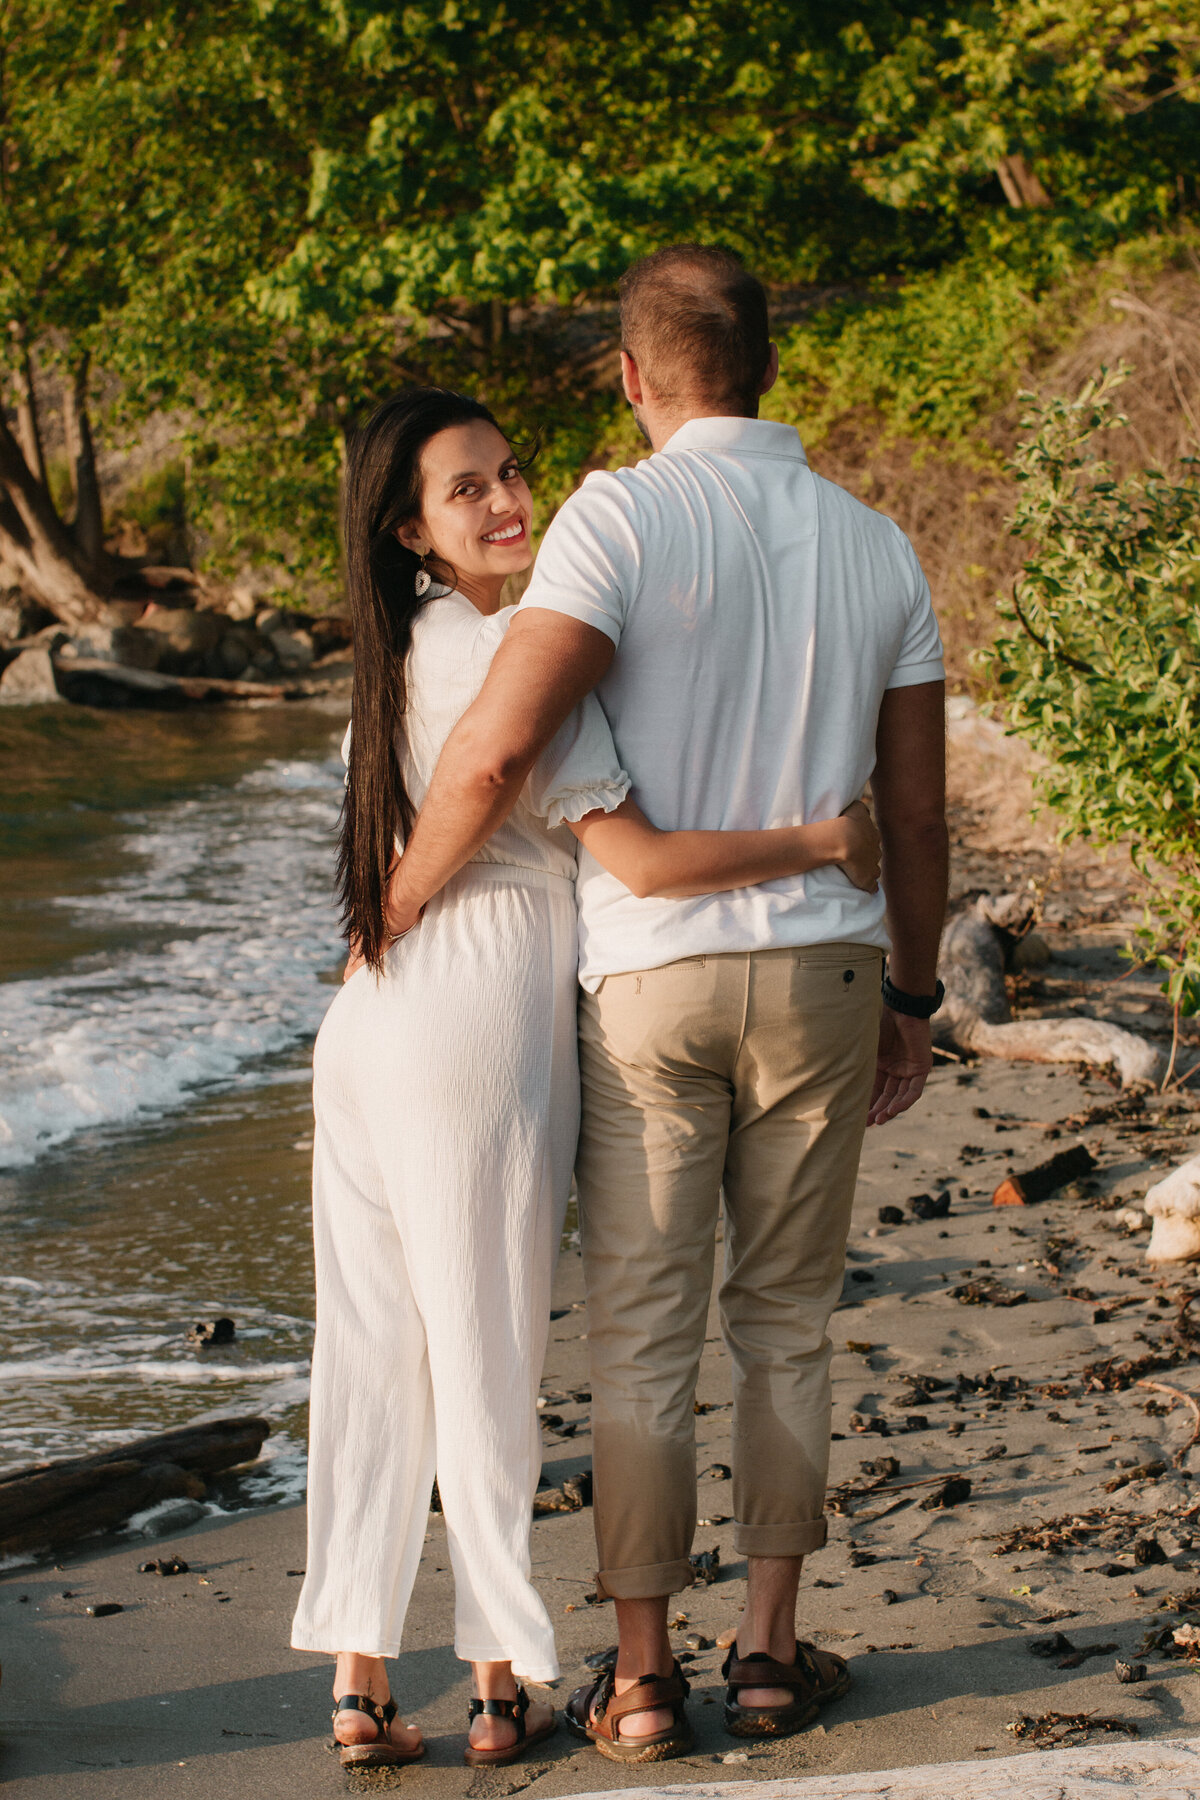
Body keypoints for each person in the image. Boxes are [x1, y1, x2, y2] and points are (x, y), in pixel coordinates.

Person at [376, 246, 949, 1764]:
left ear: (634, 376)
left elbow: (497, 754)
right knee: (785, 1326)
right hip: (826, 972)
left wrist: (392, 909)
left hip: (644, 983)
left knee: (639, 1334)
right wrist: (915, 989)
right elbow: (919, 809)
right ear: (769, 367)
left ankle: (640, 1678)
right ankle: (766, 1655)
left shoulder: (614, 518)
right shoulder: (880, 547)